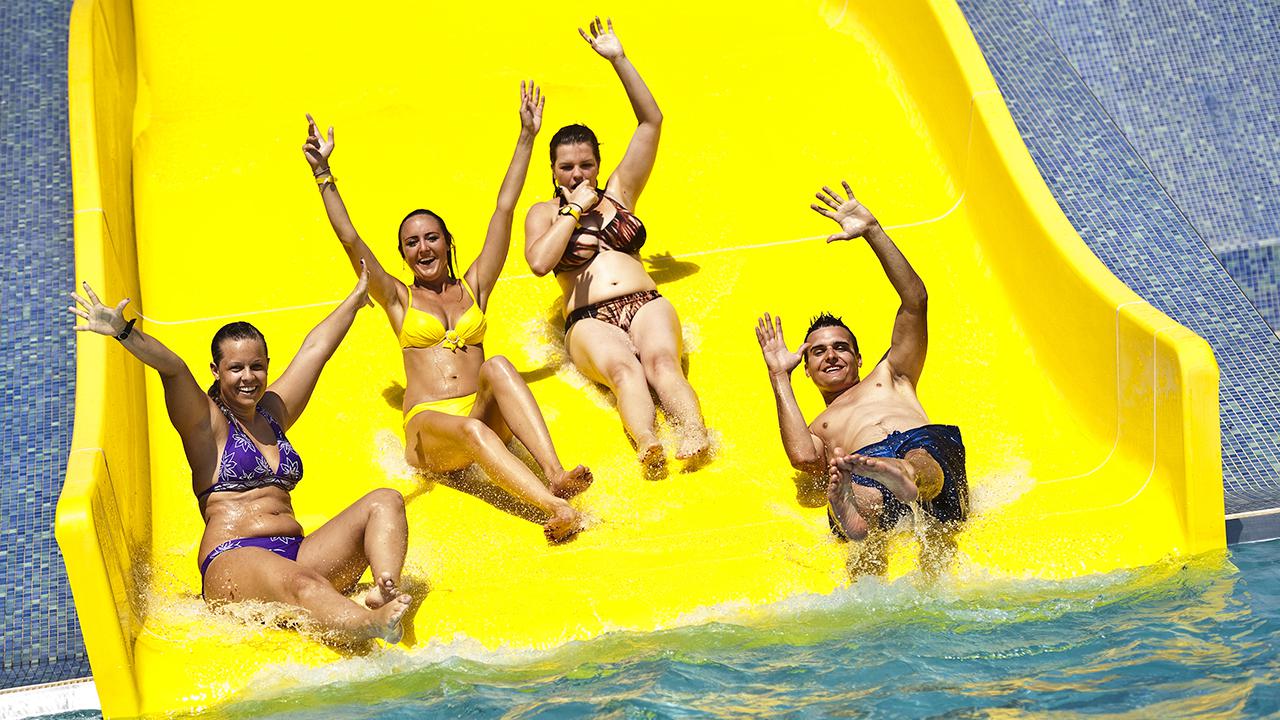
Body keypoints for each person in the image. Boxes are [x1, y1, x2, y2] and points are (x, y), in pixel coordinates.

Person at [303, 82, 590, 543]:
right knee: (472, 432)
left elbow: (503, 209)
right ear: (402, 254)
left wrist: (526, 136)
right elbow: (350, 238)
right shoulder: (398, 299)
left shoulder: (474, 287)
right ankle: (555, 508)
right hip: (431, 431)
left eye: (431, 238)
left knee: (497, 365)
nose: (423, 248)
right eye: (412, 242)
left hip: (477, 415)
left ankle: (555, 474)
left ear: (447, 242)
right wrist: (323, 173)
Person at [69, 268, 412, 645]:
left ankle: (385, 589)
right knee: (302, 583)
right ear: (216, 371)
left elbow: (315, 350)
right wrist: (123, 332)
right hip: (233, 560)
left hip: (296, 555)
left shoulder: (273, 412)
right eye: (236, 368)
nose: (248, 377)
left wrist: (356, 299)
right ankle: (370, 624)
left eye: (256, 366)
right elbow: (173, 368)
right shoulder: (206, 425)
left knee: (385, 501)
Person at [524, 18, 710, 475]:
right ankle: (648, 442)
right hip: (589, 320)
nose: (578, 174)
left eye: (586, 165)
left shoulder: (620, 191)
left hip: (645, 302)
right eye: (567, 167)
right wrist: (574, 210)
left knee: (663, 364)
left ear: (598, 164)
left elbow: (652, 122)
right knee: (626, 372)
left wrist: (619, 60)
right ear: (553, 170)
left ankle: (694, 433)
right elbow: (539, 262)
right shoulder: (544, 213)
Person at [755, 182, 969, 570]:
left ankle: (904, 475)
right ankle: (853, 509)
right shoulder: (819, 427)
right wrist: (778, 376)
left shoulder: (892, 373)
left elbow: (915, 301)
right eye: (817, 351)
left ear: (858, 357)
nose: (830, 355)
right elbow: (803, 458)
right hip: (866, 465)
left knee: (920, 458)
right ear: (806, 370)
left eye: (840, 347)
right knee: (859, 490)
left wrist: (873, 231)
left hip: (917, 447)